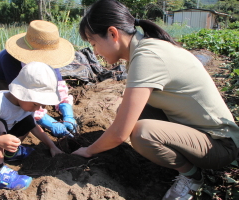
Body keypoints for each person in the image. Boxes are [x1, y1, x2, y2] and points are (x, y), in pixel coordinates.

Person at [71, 0, 239, 199]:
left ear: (113, 34)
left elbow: (119, 133)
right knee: (128, 113)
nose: (96, 52)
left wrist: (89, 150)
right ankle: (173, 161)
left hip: (219, 145)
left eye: (94, 44)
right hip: (200, 133)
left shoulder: (147, 56)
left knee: (142, 133)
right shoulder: (145, 48)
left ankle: (191, 177)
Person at [0, 20, 77, 138]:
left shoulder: (50, 60)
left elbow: (59, 86)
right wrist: (50, 123)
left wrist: (67, 112)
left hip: (27, 95)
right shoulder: (10, 60)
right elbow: (24, 96)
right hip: (0, 87)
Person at [0, 62, 64, 190]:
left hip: (0, 140)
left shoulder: (25, 105)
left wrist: (52, 146)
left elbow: (34, 127)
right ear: (21, 93)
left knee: (28, 121)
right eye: (35, 104)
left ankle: (10, 153)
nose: (38, 108)